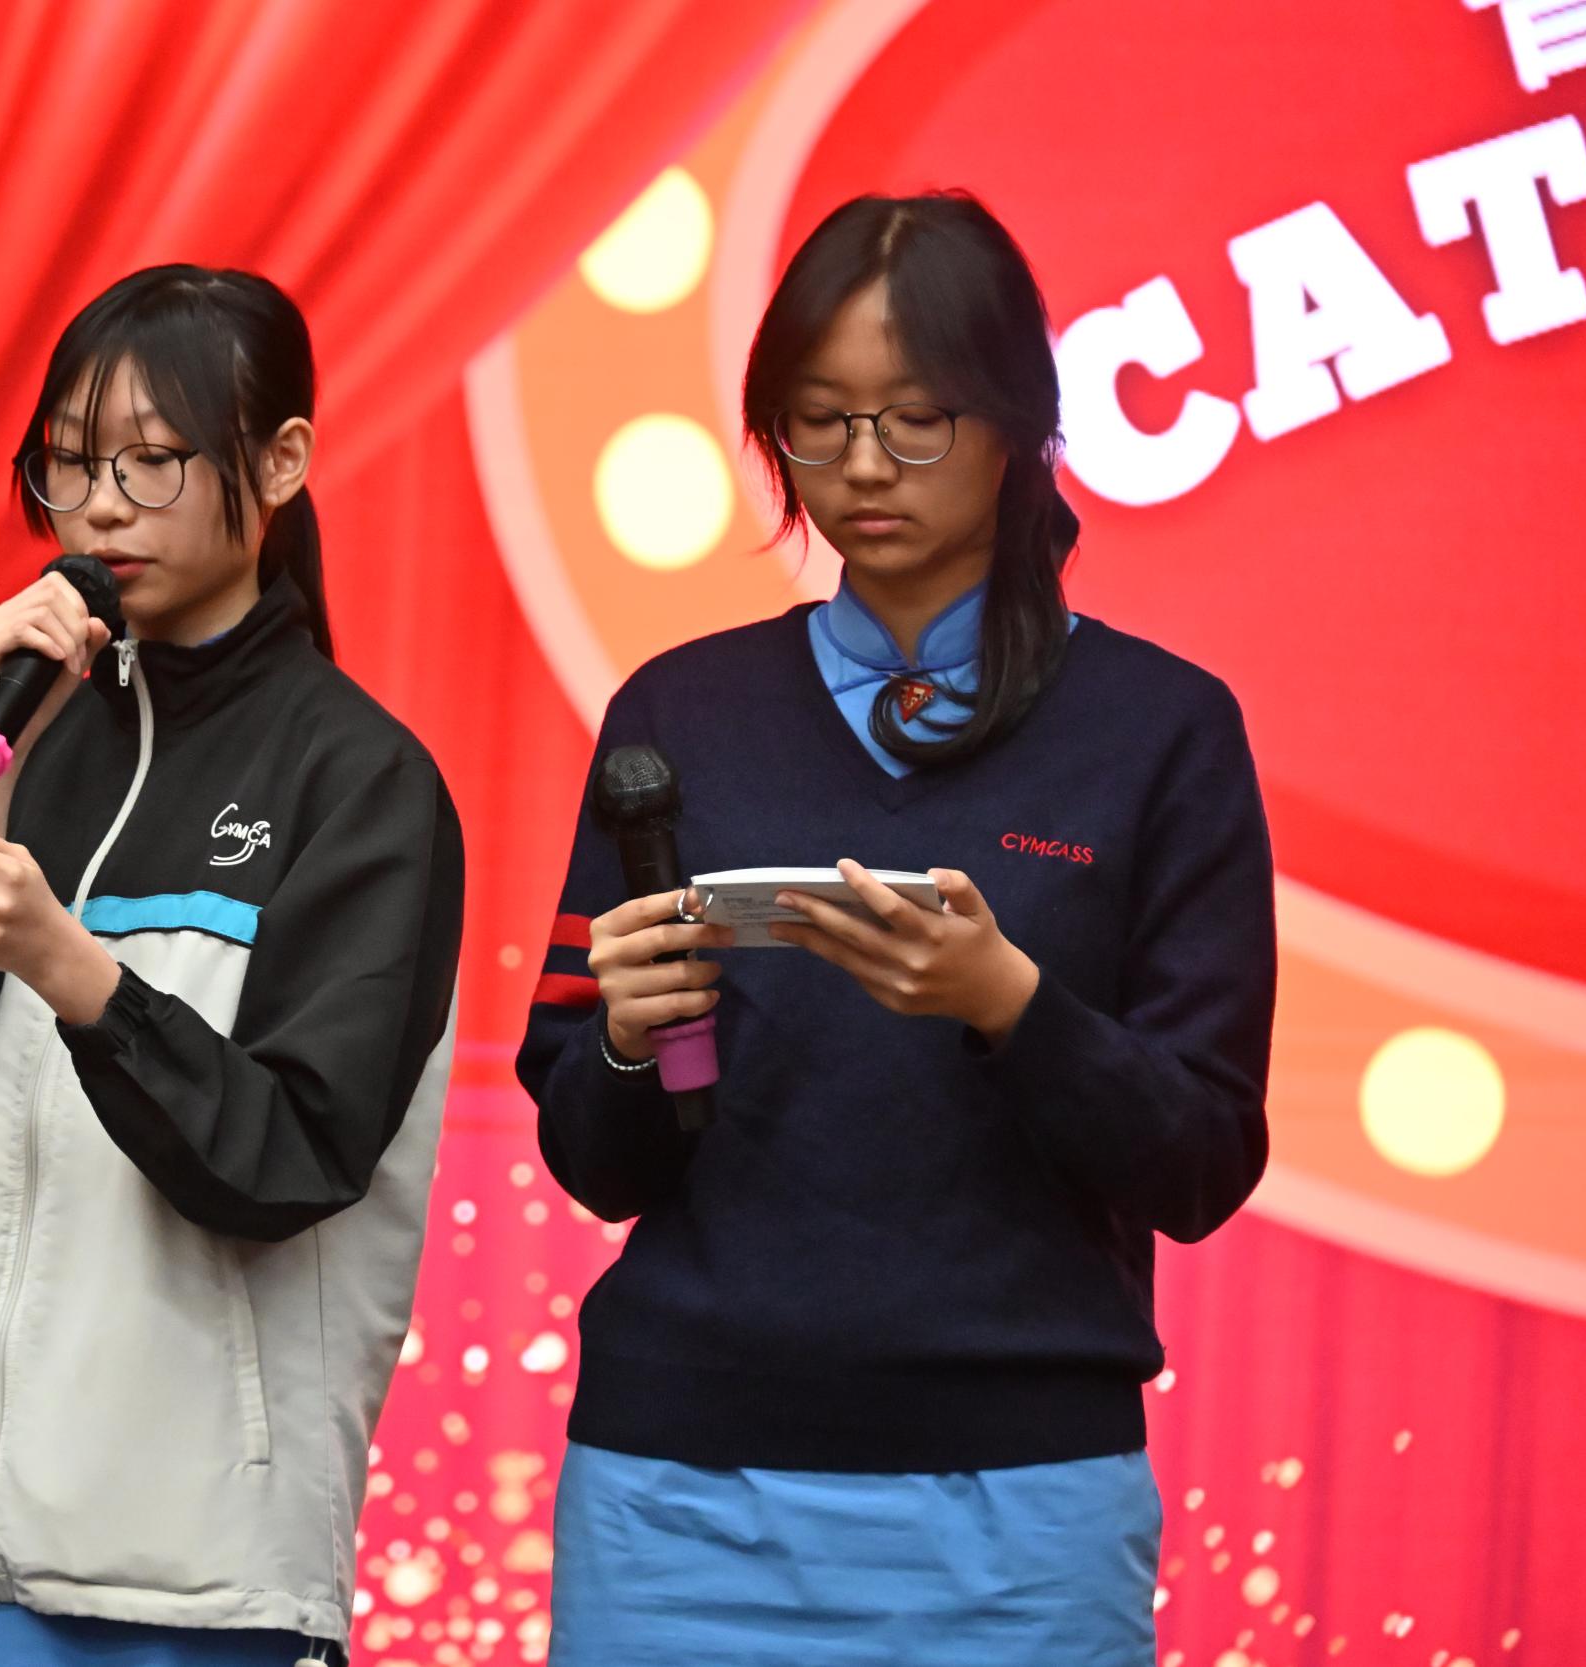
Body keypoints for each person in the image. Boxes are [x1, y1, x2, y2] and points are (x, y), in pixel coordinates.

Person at [518, 193, 1275, 1665]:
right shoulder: (679, 714)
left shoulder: (1161, 730)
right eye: (819, 422)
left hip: (1023, 1513)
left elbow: (1199, 1164)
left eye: (917, 420)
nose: (863, 466)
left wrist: (1010, 1004)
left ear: (1019, 425)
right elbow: (594, 1163)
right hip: (681, 1498)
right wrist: (623, 1043)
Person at [0, 265, 465, 1667]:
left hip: (181, 1585)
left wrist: (70, 967)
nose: (99, 509)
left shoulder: (362, 782)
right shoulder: (39, 738)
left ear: (280, 462)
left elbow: (288, 1157)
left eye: (151, 462)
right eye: (69, 465)